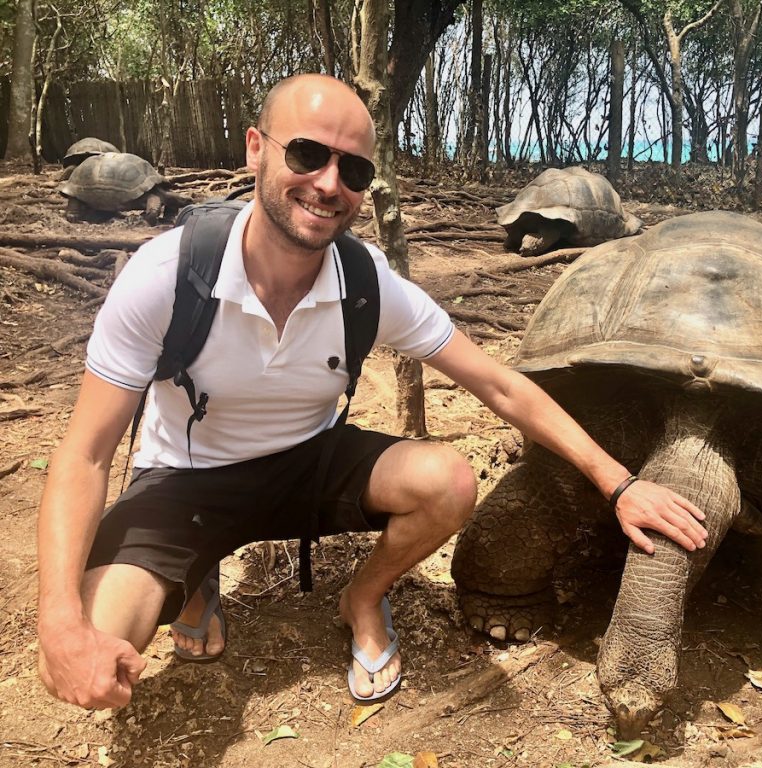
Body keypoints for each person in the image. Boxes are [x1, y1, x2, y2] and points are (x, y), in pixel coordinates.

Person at [36, 73, 708, 710]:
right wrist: (62, 627)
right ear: (254, 149)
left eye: (353, 170)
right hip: (185, 481)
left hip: (308, 462)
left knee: (447, 481)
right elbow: (85, 456)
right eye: (307, 154)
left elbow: (498, 384)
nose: (329, 184)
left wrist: (619, 485)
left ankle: (361, 597)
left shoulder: (365, 281)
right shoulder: (167, 276)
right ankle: (195, 572)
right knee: (102, 640)